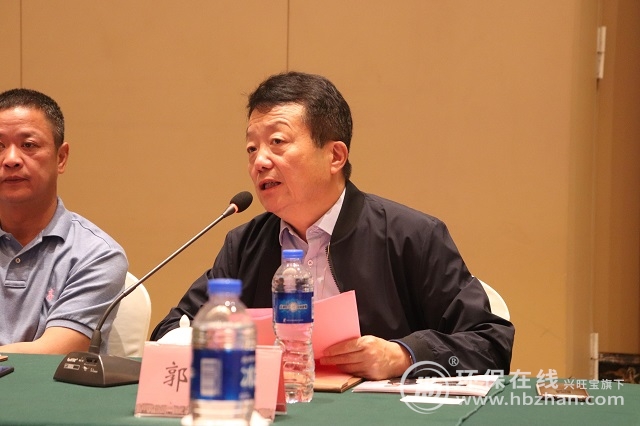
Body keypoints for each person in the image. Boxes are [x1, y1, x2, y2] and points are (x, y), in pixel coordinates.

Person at [151, 71, 515, 380]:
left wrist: (404, 355)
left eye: (277, 142)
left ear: (335, 156)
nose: (259, 161)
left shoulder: (410, 236)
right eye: (251, 148)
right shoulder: (245, 245)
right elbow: (172, 330)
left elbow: (490, 343)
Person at [0, 88, 128, 355]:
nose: (11, 159)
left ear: (61, 157)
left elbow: (52, 354)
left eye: (28, 145)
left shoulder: (97, 254)